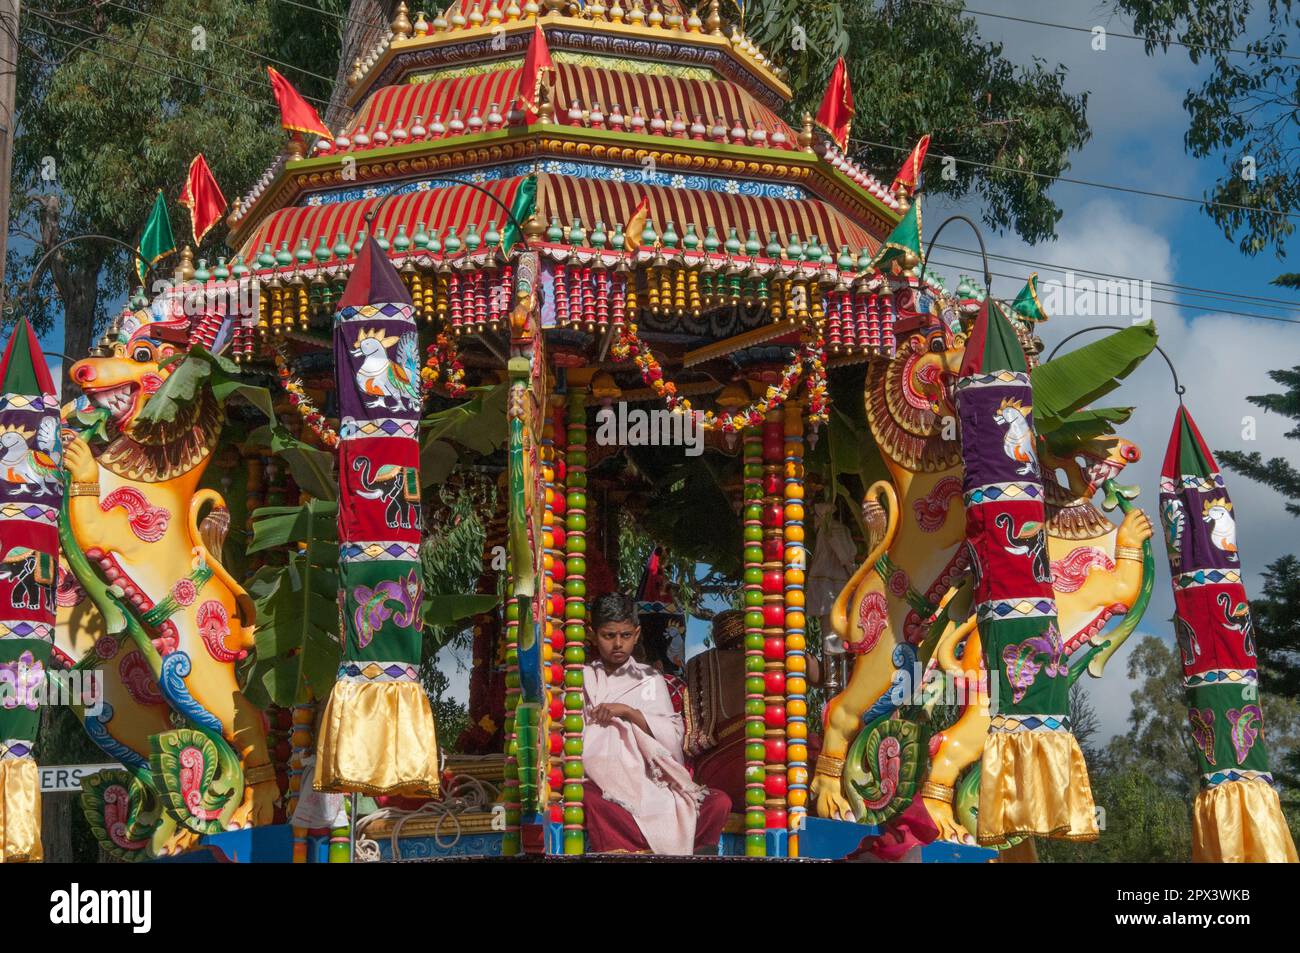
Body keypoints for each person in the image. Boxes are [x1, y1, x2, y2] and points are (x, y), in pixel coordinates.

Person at [582, 592, 730, 855]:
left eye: (625, 636)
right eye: (608, 636)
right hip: (606, 784)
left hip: (652, 783)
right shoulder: (580, 679)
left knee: (718, 802)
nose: (618, 644)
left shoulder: (650, 679)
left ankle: (657, 847)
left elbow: (673, 740)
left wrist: (627, 712)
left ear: (637, 634)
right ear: (592, 634)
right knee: (589, 798)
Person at [685, 610, 824, 809]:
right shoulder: (771, 651)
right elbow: (822, 677)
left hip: (714, 774)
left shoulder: (698, 664)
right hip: (769, 764)